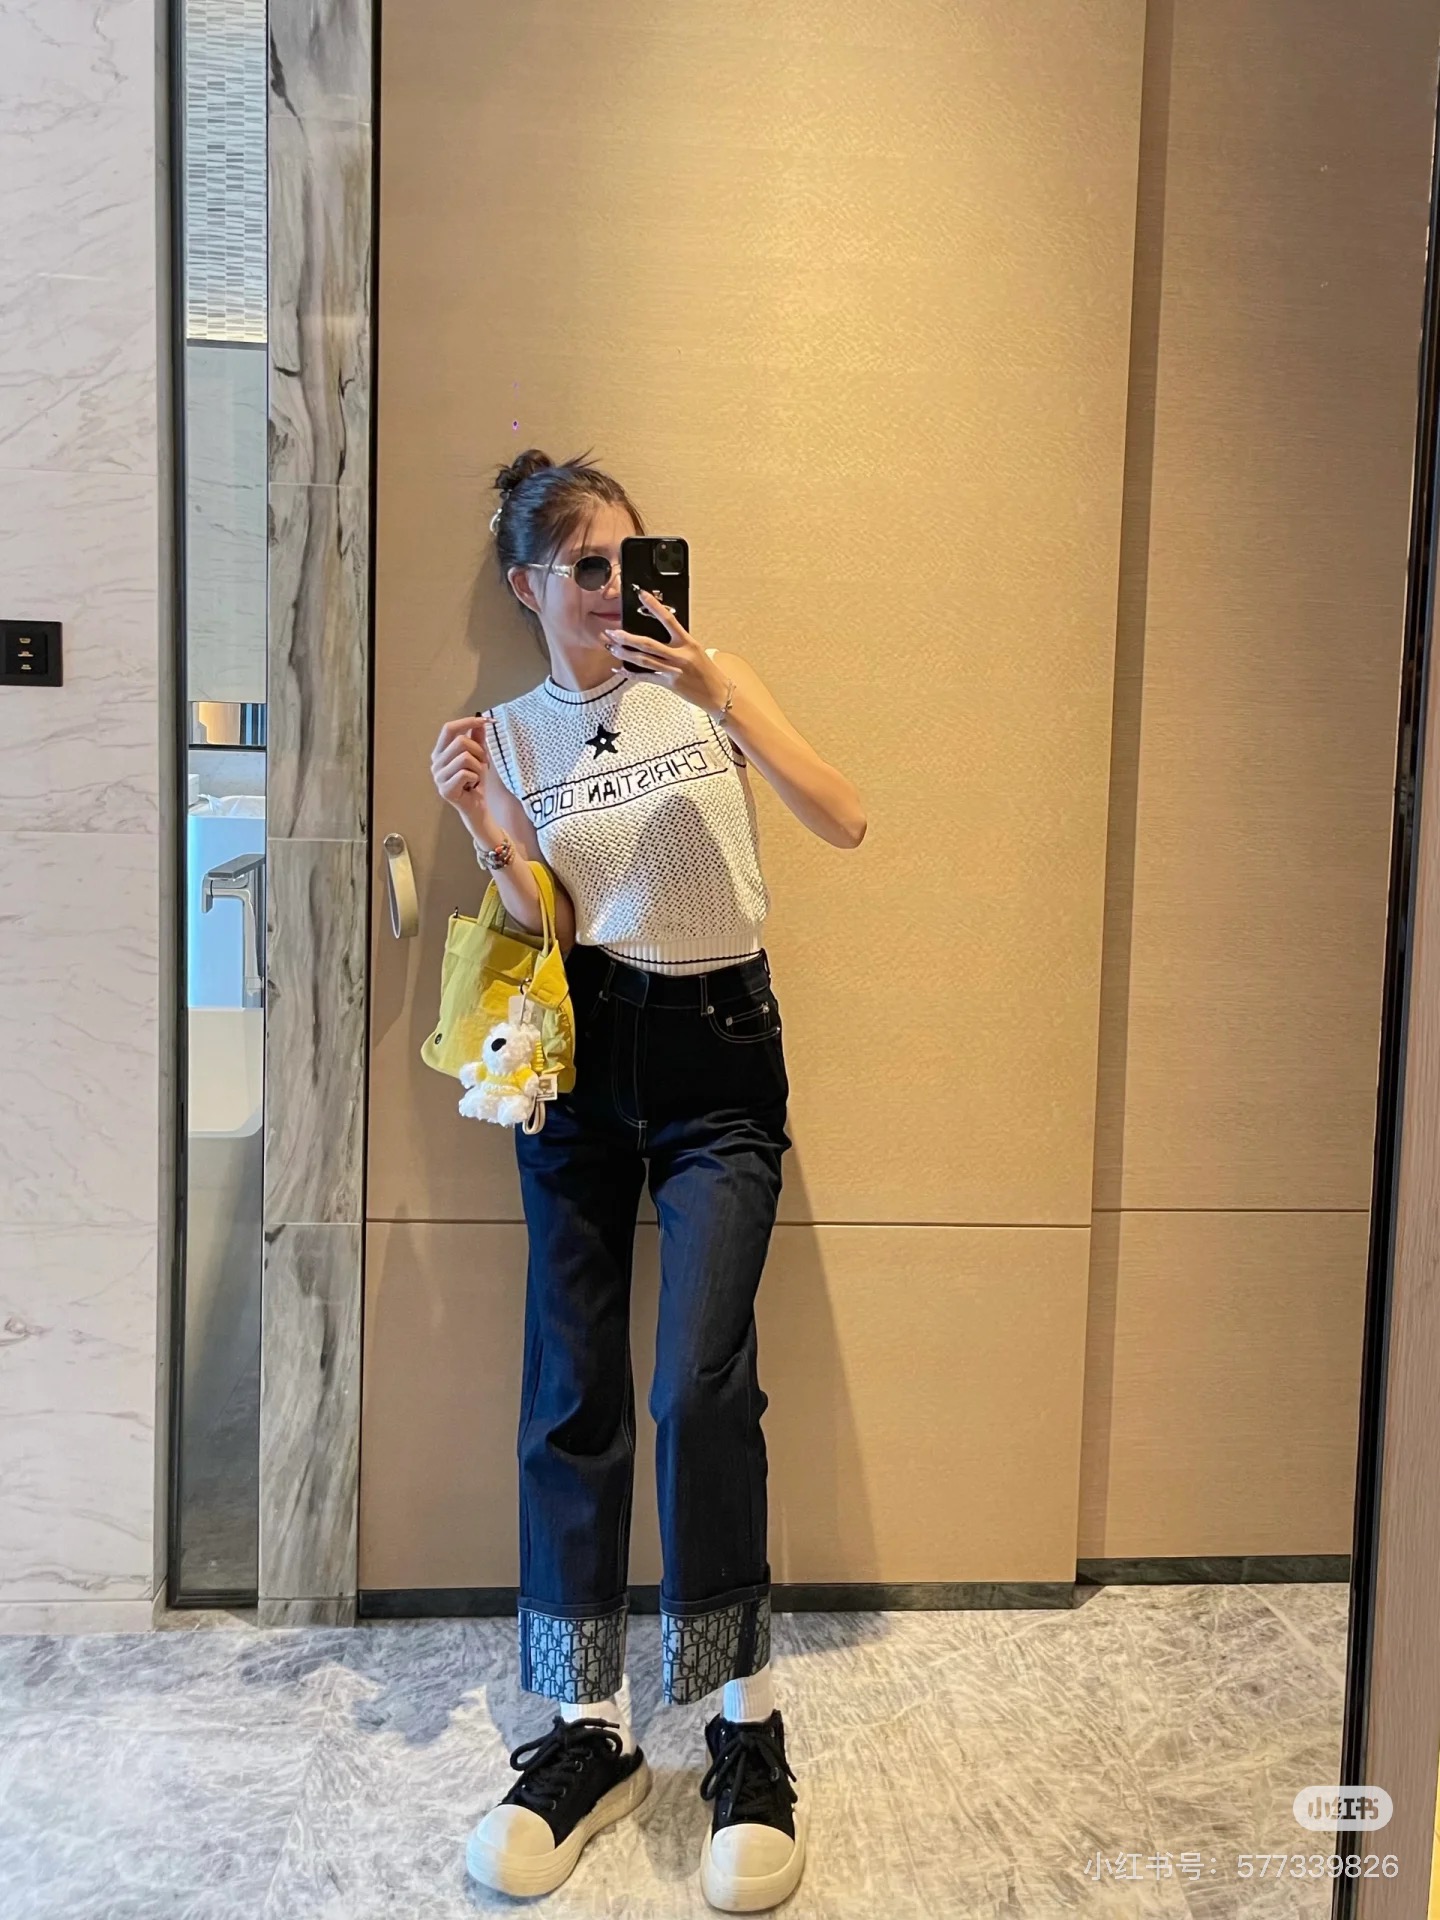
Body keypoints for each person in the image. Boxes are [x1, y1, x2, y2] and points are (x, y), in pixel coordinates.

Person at [429, 449, 866, 1911]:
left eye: (632, 560)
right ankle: (588, 1730)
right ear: (528, 585)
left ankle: (744, 1724)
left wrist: (725, 690)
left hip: (719, 1060)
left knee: (698, 1386)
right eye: (588, 567)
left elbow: (843, 815)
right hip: (579, 1052)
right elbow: (548, 923)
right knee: (571, 1390)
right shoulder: (507, 732)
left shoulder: (707, 687)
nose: (618, 589)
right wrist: (489, 828)